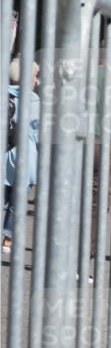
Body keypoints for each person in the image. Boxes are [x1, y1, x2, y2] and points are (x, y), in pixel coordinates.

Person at [3, 58, 41, 253]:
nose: (37, 81)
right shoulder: (34, 101)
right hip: (25, 158)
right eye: (35, 76)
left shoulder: (4, 95)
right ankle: (8, 238)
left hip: (4, 155)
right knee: (18, 201)